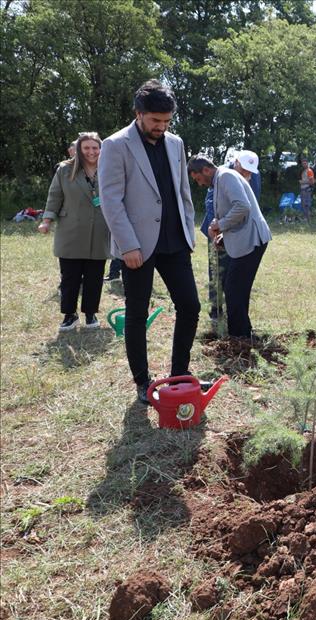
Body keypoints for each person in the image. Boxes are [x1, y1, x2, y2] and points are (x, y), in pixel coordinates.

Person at [99, 80, 201, 405]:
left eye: (167, 121)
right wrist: (127, 245)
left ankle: (179, 374)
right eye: (155, 120)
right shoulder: (116, 145)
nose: (161, 127)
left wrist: (188, 232)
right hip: (137, 247)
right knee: (137, 313)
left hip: (175, 242)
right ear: (138, 113)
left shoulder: (176, 143)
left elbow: (183, 191)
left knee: (190, 306)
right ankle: (143, 382)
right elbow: (111, 200)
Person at [190, 152, 272, 339]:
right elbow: (233, 210)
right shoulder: (220, 179)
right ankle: (242, 333)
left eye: (198, 179)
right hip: (246, 239)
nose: (199, 184)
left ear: (206, 170)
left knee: (234, 289)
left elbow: (242, 207)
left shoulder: (226, 176)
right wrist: (223, 234)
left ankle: (238, 336)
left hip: (253, 239)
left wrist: (220, 225)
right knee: (235, 289)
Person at [39, 132, 110, 331]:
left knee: (95, 276)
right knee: (70, 276)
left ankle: (90, 313)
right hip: (71, 230)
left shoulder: (109, 168)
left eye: (95, 148)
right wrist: (46, 221)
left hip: (99, 230)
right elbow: (54, 196)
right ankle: (69, 315)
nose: (91, 152)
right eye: (86, 148)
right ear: (79, 149)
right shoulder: (65, 169)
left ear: (101, 149)